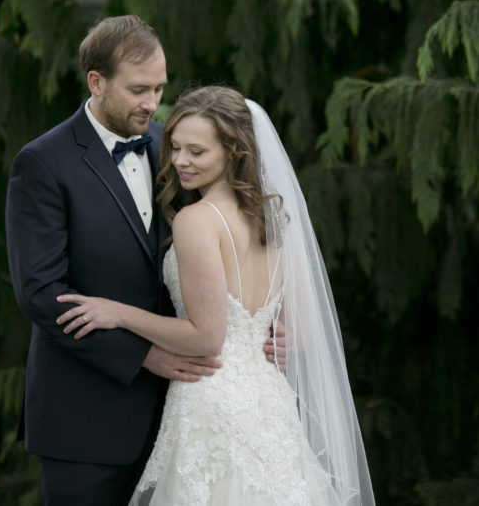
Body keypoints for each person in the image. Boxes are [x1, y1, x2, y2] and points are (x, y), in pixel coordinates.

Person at [55, 86, 375, 505]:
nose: (179, 162)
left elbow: (206, 337)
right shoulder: (278, 218)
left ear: (234, 153)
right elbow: (308, 329)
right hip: (269, 407)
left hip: (211, 401)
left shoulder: (197, 220)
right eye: (174, 147)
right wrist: (281, 338)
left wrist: (119, 313)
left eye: (197, 152)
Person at [7, 17, 279, 505]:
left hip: (184, 415)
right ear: (97, 81)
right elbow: (41, 294)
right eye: (138, 90)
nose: (153, 103)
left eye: (159, 87)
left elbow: (230, 249)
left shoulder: (175, 149)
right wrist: (143, 355)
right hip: (86, 419)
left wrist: (271, 327)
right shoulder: (43, 163)